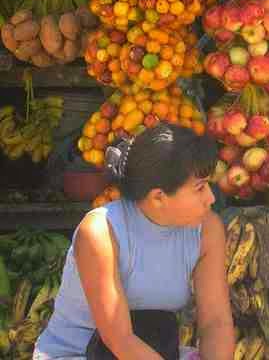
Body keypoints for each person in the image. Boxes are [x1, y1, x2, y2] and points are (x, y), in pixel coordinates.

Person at [34, 123, 235, 359]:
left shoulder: (207, 229)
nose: (211, 198)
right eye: (200, 188)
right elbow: (120, 339)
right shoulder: (100, 232)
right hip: (78, 353)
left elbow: (216, 322)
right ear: (159, 198)